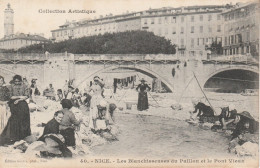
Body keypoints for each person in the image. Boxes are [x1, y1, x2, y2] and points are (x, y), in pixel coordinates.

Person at [0, 75, 31, 145]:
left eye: (18, 81)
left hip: (22, 103)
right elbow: (11, 96)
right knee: (15, 119)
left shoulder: (24, 86)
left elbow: (26, 96)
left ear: (20, 81)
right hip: (13, 103)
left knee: (24, 116)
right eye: (15, 81)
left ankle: (23, 135)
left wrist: (20, 100)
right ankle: (14, 136)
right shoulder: (11, 86)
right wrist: (20, 97)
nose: (17, 83)